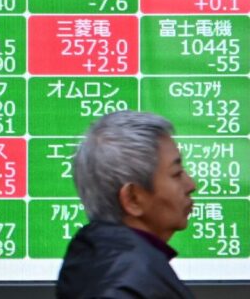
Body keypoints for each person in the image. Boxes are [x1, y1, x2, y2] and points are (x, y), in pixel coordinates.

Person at [57, 111, 196, 299]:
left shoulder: (97, 264)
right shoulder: (125, 288)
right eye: (176, 173)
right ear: (133, 199)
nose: (191, 185)